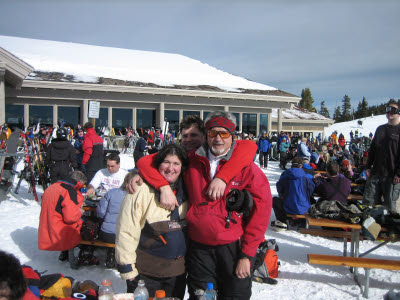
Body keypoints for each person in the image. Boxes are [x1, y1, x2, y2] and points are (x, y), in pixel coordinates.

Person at [136, 112, 270, 299]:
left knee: (235, 295)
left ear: (232, 135)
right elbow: (145, 162)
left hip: (232, 247)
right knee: (200, 295)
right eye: (213, 133)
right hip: (199, 247)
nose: (218, 139)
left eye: (224, 134)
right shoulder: (190, 160)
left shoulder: (247, 168)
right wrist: (162, 186)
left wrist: (247, 255)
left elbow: (261, 212)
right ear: (206, 134)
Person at [115, 144, 189, 299]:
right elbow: (126, 230)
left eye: (176, 163)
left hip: (176, 274)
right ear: (158, 164)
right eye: (166, 162)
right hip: (146, 273)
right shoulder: (140, 189)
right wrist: (127, 268)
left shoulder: (187, 189)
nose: (171, 168)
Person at [38, 171, 87, 262]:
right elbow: (70, 217)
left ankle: (65, 252)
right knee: (88, 224)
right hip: (60, 230)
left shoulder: (52, 187)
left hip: (47, 227)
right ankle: (84, 251)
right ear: (79, 181)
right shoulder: (69, 190)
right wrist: (80, 212)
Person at [363, 100, 400, 213]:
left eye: (392, 110)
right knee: (369, 204)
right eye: (387, 110)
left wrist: (398, 173)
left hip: (392, 175)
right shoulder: (380, 129)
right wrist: (368, 166)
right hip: (376, 173)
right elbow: (373, 149)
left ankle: (390, 230)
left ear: (398, 113)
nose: (389, 113)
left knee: (390, 207)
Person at [96, 171, 137, 268]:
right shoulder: (138, 197)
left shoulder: (111, 193)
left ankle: (111, 253)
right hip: (127, 236)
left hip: (107, 234)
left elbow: (100, 213)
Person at [271, 157, 315, 231]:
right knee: (311, 200)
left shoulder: (285, 175)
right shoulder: (306, 177)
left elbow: (279, 188)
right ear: (301, 166)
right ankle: (301, 220)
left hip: (288, 205)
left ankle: (282, 220)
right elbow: (310, 190)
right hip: (303, 208)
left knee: (275, 200)